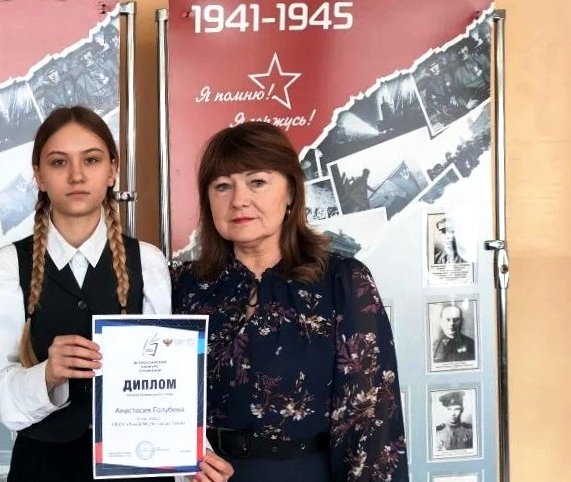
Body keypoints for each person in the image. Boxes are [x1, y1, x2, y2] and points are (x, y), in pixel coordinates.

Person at [0, 106, 233, 482]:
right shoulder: (6, 266)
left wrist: (194, 455)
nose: (77, 175)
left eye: (91, 160)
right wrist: (47, 374)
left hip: (138, 467)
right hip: (43, 467)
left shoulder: (148, 261)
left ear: (112, 170)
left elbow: (171, 377)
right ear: (39, 176)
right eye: (59, 162)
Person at [171, 122, 407, 481]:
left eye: (257, 182)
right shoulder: (183, 286)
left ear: (291, 193)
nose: (238, 200)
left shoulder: (342, 282)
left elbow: (371, 421)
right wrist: (179, 459)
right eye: (222, 186)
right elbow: (150, 399)